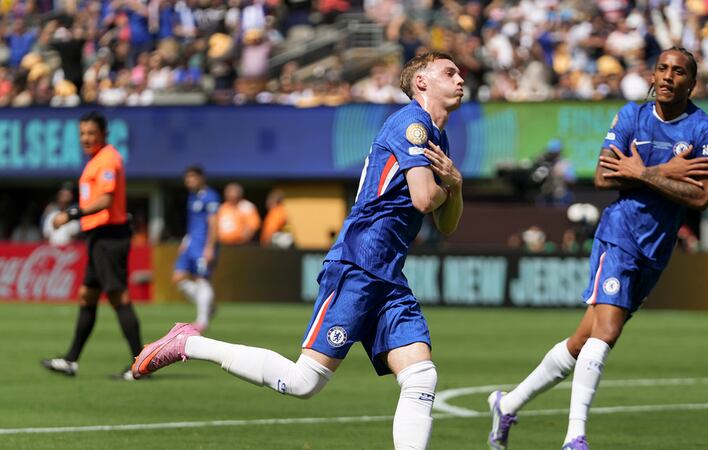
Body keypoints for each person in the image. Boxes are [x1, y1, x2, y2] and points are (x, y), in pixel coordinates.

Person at [131, 51, 465, 450]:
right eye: (449, 72)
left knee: (421, 377)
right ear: (421, 83)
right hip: (358, 265)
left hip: (388, 274)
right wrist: (449, 188)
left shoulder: (436, 138)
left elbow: (446, 222)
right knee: (303, 381)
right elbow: (426, 200)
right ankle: (187, 343)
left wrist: (457, 186)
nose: (460, 78)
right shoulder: (411, 123)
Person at [487, 47, 708, 450]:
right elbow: (602, 175)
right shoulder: (632, 115)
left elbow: (700, 197)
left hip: (655, 250)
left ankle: (506, 405)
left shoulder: (706, 130)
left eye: (678, 71)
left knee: (582, 341)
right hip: (619, 236)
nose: (668, 76)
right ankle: (575, 437)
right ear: (653, 73)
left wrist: (643, 171)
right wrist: (664, 172)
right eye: (662, 68)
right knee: (608, 331)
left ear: (692, 82)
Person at [41, 111, 143, 380]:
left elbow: (106, 201)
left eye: (91, 133)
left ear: (103, 134)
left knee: (119, 298)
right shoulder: (96, 160)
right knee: (87, 296)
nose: (86, 138)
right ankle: (71, 360)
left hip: (110, 236)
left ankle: (141, 365)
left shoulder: (108, 159)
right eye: (82, 134)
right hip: (98, 237)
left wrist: (71, 214)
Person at [173, 165, 220, 332]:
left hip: (203, 245)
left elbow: (213, 223)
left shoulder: (211, 197)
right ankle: (208, 305)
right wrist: (186, 240)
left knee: (202, 279)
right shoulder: (192, 197)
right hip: (191, 244)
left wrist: (209, 247)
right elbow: (194, 223)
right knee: (178, 278)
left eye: (192, 177)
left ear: (201, 178)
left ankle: (202, 320)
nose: (189, 181)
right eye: (187, 178)